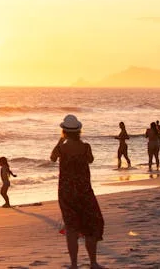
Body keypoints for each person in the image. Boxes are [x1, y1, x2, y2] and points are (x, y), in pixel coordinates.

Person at [51, 115, 104, 269]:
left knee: (71, 228)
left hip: (66, 192)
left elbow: (53, 158)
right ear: (79, 131)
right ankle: (93, 262)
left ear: (64, 131)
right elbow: (90, 160)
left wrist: (60, 141)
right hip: (84, 191)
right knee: (90, 225)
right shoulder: (86, 147)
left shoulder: (61, 148)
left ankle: (74, 265)